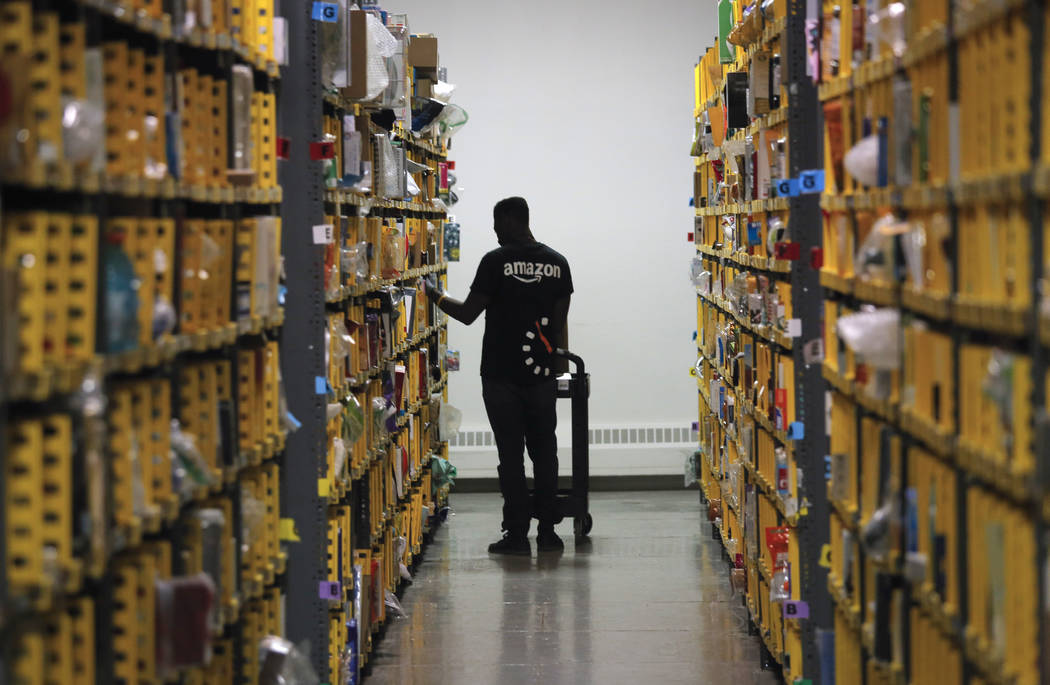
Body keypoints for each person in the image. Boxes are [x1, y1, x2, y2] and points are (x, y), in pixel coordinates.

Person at [423, 196, 573, 555]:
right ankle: (549, 533)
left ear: (510, 220)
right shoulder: (558, 263)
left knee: (510, 456)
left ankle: (517, 535)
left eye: (496, 222)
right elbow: (561, 321)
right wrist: (560, 368)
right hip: (541, 376)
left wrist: (435, 296)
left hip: (500, 375)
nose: (493, 229)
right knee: (545, 452)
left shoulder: (495, 261)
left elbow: (469, 313)